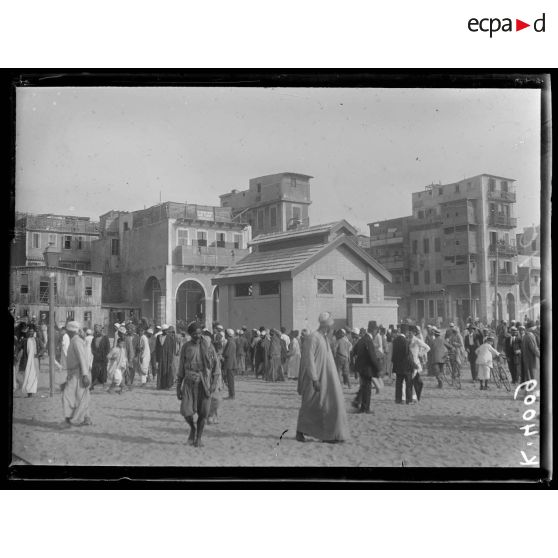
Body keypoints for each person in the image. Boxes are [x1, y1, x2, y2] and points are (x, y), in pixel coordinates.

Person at [296, 312, 349, 443]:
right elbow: (309, 360)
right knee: (309, 405)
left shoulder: (324, 338)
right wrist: (314, 379)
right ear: (327, 326)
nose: (332, 328)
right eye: (331, 325)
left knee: (329, 405)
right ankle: (300, 431)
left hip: (327, 378)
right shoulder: (313, 337)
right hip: (315, 379)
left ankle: (328, 433)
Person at [176, 322, 219, 447]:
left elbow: (216, 368)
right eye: (195, 334)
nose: (198, 336)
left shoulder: (209, 347)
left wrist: (213, 384)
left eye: (200, 334)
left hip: (205, 383)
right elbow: (181, 369)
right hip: (189, 383)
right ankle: (192, 428)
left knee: (203, 413)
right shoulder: (185, 347)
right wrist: (178, 387)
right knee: (186, 411)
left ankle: (198, 438)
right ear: (190, 335)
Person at [60, 321, 92, 427]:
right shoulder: (74, 340)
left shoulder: (76, 341)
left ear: (70, 330)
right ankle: (86, 418)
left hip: (78, 374)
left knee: (68, 396)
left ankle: (68, 420)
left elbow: (82, 358)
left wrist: (85, 375)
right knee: (81, 396)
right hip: (75, 373)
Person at [351, 320, 382, 413]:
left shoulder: (362, 339)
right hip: (367, 368)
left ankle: (362, 407)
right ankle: (365, 408)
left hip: (361, 367)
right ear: (374, 330)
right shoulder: (368, 340)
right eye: (376, 330)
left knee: (364, 387)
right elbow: (372, 356)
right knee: (367, 389)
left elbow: (354, 351)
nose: (377, 332)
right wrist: (378, 368)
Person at [391, 323, 414, 404]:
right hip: (406, 366)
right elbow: (407, 355)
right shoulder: (405, 341)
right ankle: (408, 400)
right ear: (406, 332)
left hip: (397, 366)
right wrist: (412, 365)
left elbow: (393, 355)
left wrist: (394, 366)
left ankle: (398, 399)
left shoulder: (395, 340)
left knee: (398, 384)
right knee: (408, 384)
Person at [408, 326, 428, 402]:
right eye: (408, 332)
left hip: (415, 363)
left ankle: (414, 397)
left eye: (410, 332)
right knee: (415, 381)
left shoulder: (417, 340)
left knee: (412, 381)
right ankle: (415, 397)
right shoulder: (407, 340)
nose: (409, 333)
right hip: (409, 363)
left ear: (414, 333)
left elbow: (427, 347)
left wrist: (420, 354)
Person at [155, 324, 176, 390]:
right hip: (161, 356)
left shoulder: (170, 338)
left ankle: (168, 385)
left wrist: (171, 358)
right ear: (162, 330)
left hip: (167, 357)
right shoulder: (158, 337)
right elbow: (157, 347)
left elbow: (172, 348)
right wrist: (157, 357)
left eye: (167, 330)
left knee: (167, 370)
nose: (166, 331)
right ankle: (160, 385)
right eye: (165, 330)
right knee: (160, 370)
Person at [521, 320, 540, 388]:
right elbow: (534, 348)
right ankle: (532, 395)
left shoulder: (525, 336)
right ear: (532, 328)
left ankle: (529, 394)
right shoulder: (530, 336)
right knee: (533, 376)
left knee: (529, 376)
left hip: (526, 359)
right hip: (531, 359)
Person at [21, 328, 40, 397]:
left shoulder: (37, 340)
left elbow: (43, 347)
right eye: (30, 331)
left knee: (34, 375)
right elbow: (19, 347)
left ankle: (31, 392)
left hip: (35, 359)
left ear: (34, 332)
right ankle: (28, 392)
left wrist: (38, 354)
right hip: (27, 360)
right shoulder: (25, 340)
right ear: (28, 332)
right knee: (28, 375)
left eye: (32, 331)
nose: (31, 333)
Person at [90, 324, 111, 388]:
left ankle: (104, 384)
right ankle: (92, 384)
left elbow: (108, 347)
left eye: (97, 329)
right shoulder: (94, 338)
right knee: (94, 370)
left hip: (103, 357)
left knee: (104, 370)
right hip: (96, 357)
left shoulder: (105, 337)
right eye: (95, 330)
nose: (96, 331)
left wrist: (105, 355)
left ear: (100, 330)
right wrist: (94, 353)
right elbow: (92, 347)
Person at [222, 328, 237, 399]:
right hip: (230, 363)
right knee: (230, 380)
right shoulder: (231, 341)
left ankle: (232, 395)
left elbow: (227, 353)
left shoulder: (230, 342)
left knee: (230, 381)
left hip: (230, 364)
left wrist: (222, 355)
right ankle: (231, 394)